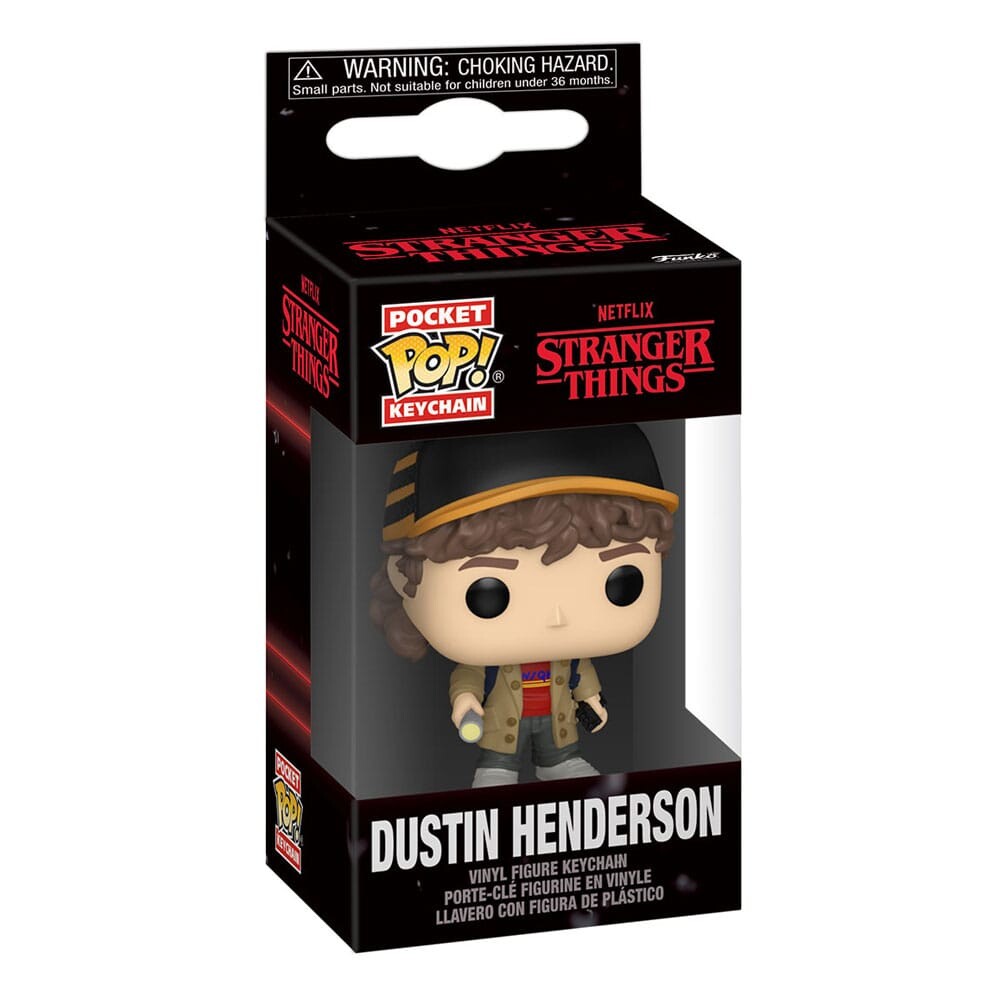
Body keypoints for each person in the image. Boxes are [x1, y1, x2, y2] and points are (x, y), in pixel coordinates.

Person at [370, 424, 677, 787]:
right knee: (500, 763)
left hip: (559, 726)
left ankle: (559, 762)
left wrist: (591, 699)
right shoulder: (487, 660)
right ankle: (497, 770)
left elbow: (580, 675)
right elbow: (468, 678)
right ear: (402, 576)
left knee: (560, 755)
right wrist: (465, 701)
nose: (557, 618)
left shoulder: (568, 657)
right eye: (488, 594)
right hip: (504, 730)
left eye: (621, 584)